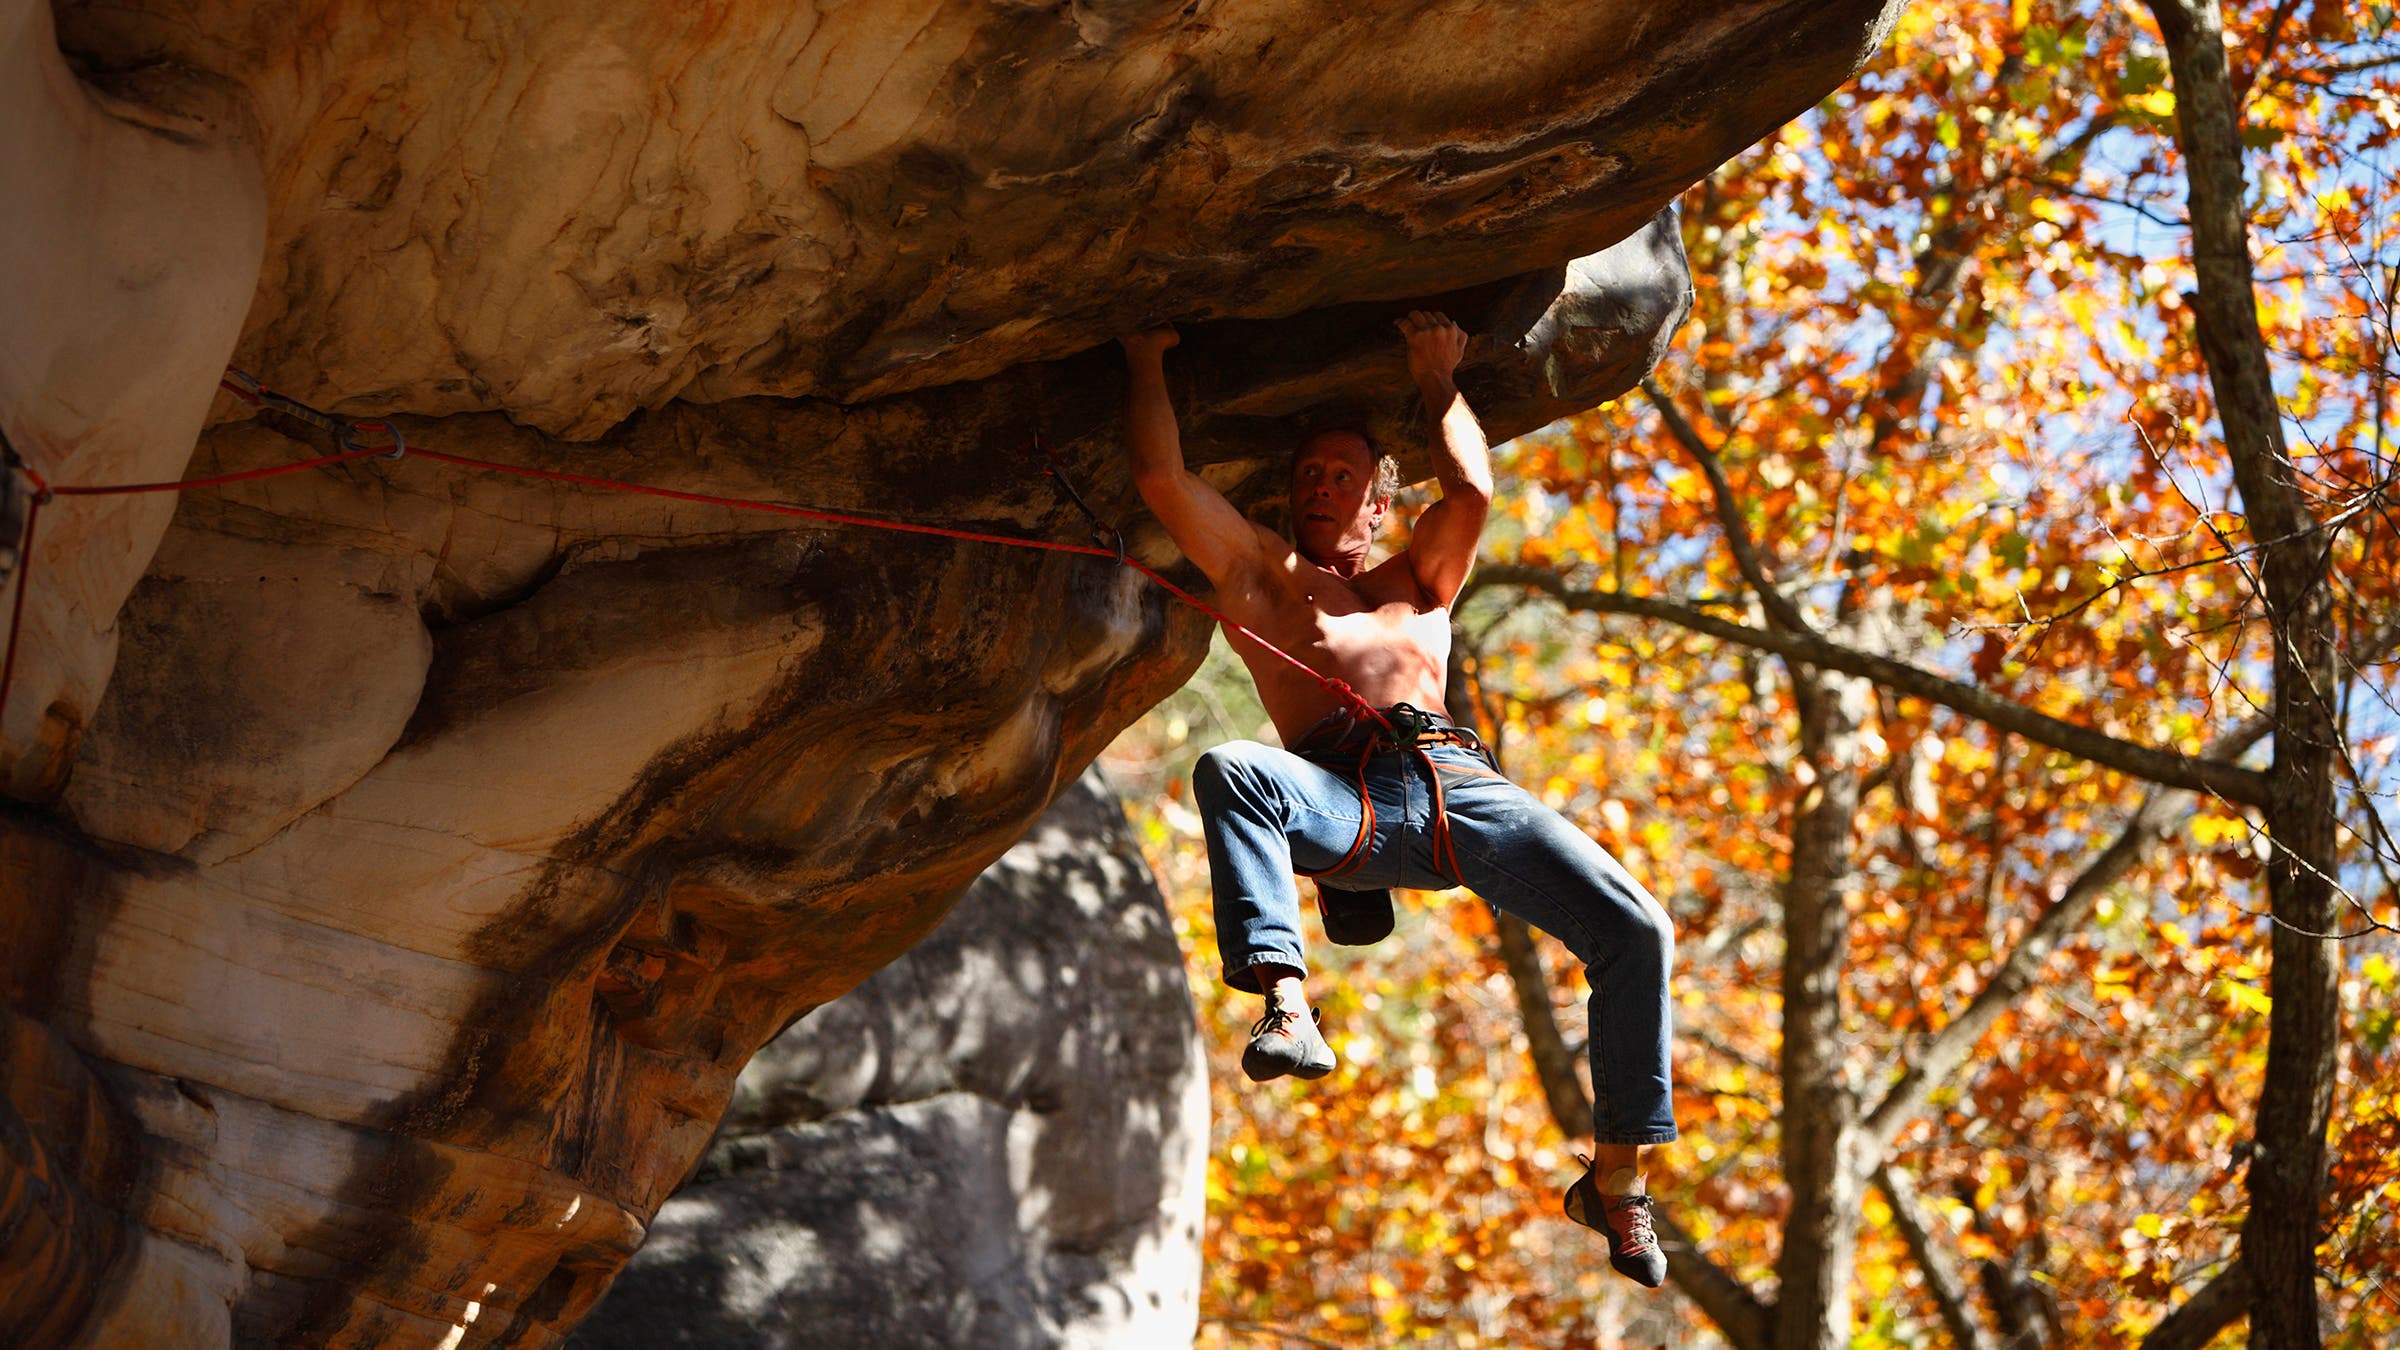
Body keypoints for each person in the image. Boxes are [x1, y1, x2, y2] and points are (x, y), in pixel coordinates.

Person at [1118, 312, 1679, 1288]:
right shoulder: (1264, 578)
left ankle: (1617, 1184)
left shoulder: (1419, 583)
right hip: (1348, 799)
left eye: (1344, 476)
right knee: (1234, 771)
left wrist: (1436, 376)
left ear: (1378, 505)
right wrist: (1141, 359)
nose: (1322, 486)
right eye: (1309, 476)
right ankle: (1287, 1006)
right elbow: (1164, 483)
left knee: (1639, 930)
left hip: (1463, 789)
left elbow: (1470, 489)